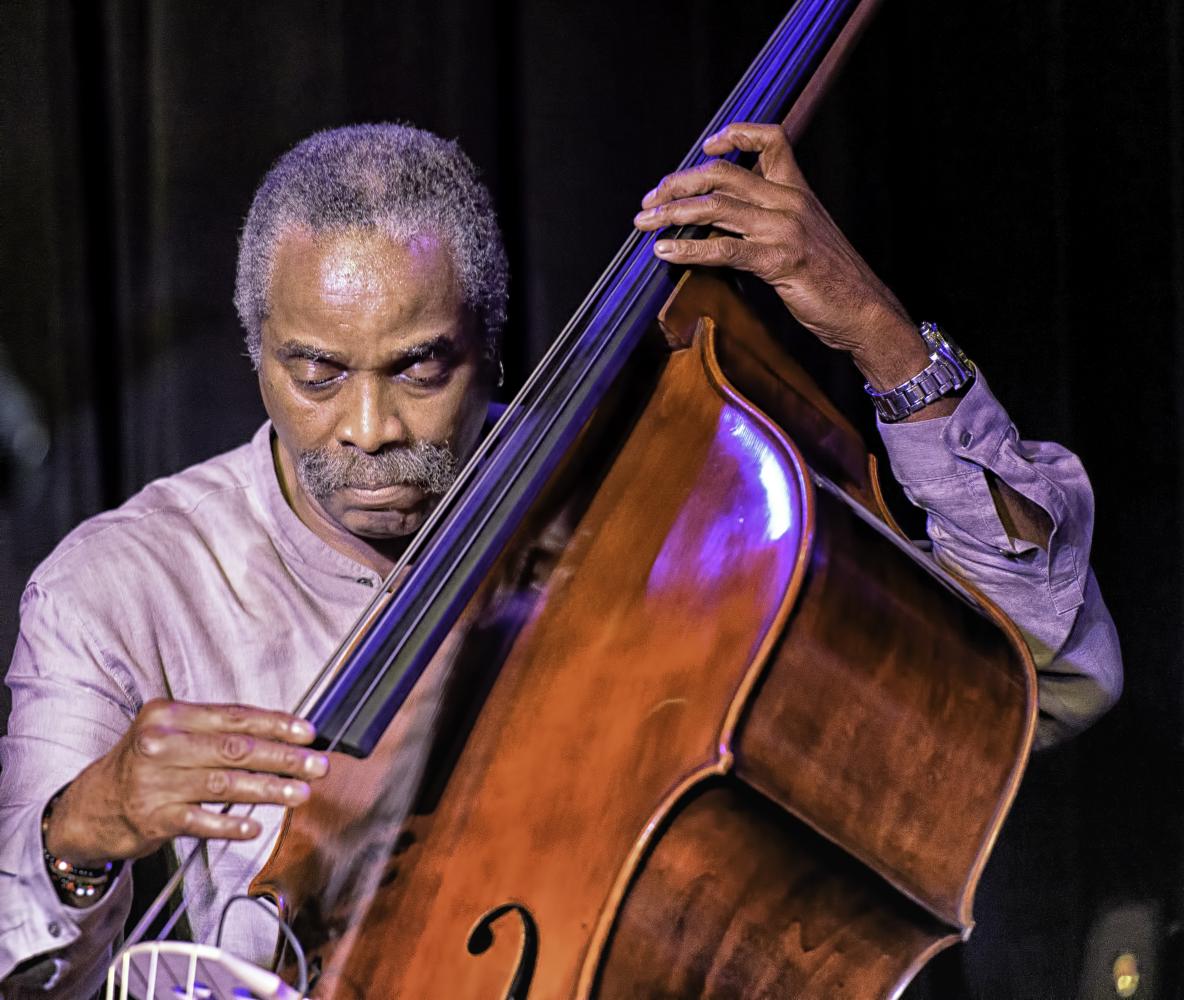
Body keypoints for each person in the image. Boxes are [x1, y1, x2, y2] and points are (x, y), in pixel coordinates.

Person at [0, 121, 1122, 996]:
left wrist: (878, 336)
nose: (371, 428)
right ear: (256, 357)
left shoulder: (660, 492)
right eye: (316, 372)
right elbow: (36, 977)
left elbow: (1034, 678)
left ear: (491, 343)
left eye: (421, 366)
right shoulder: (122, 583)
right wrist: (80, 834)